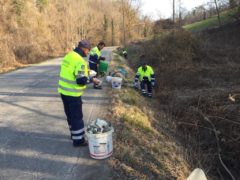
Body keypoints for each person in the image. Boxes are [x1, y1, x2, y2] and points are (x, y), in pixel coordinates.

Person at [58, 40, 98, 147]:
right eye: (88, 51)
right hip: (73, 93)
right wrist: (92, 80)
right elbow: (80, 81)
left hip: (63, 92)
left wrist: (86, 72)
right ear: (84, 49)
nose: (88, 53)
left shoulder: (69, 56)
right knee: (77, 117)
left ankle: (73, 134)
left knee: (70, 115)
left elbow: (71, 72)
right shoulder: (80, 61)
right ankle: (79, 140)